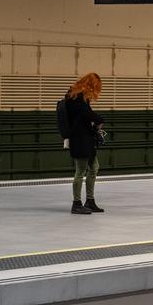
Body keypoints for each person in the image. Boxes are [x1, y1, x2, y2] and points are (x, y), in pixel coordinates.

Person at [64, 72, 106, 215]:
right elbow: (86, 114)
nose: (96, 91)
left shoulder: (79, 97)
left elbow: (87, 113)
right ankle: (76, 203)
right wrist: (101, 119)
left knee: (94, 167)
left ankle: (90, 200)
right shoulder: (76, 97)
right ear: (90, 85)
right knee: (80, 171)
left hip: (87, 138)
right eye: (95, 87)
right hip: (79, 138)